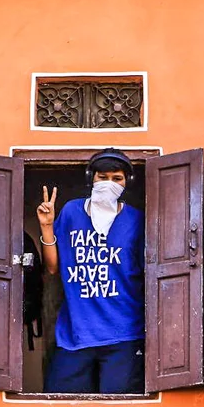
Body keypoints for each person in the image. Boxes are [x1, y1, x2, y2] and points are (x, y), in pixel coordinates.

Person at [36, 148, 145, 394]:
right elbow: (53, 267)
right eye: (102, 177)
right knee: (60, 405)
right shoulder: (72, 213)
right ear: (91, 179)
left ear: (127, 182)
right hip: (75, 334)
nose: (109, 184)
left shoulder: (137, 221)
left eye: (117, 178)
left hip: (124, 334)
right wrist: (47, 227)